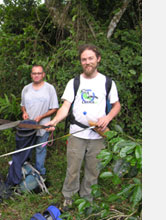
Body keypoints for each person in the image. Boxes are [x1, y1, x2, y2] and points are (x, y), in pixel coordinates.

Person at [44, 44, 121, 210]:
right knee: (72, 169)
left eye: (90, 58)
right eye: (84, 59)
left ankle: (87, 199)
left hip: (99, 135)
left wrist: (108, 118)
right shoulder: (74, 82)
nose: (87, 62)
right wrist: (55, 121)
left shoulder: (107, 82)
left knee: (93, 170)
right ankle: (69, 197)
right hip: (77, 134)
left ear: (98, 59)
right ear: (81, 62)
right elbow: (65, 106)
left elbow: (116, 105)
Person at [20, 64, 59, 176]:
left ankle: (40, 174)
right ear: (31, 75)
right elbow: (22, 105)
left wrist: (41, 117)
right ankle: (25, 174)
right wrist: (24, 112)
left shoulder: (49, 88)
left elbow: (55, 108)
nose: (36, 75)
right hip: (28, 127)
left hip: (43, 127)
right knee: (26, 149)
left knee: (40, 150)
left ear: (43, 75)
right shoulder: (26, 89)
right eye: (34, 73)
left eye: (39, 73)